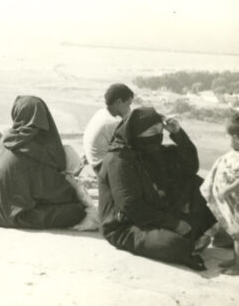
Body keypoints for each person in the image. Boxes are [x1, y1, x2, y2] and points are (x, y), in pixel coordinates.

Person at [98, 107, 216, 271]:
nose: (158, 135)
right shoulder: (119, 160)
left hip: (154, 212)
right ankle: (189, 239)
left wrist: (178, 134)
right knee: (175, 244)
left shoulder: (152, 151)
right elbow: (130, 205)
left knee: (195, 182)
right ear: (137, 132)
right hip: (125, 225)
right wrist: (174, 224)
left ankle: (195, 233)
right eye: (152, 131)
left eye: (160, 130)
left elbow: (190, 167)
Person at [0, 96, 88, 229]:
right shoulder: (34, 149)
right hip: (8, 216)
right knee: (76, 211)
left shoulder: (5, 140)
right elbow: (59, 193)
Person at [200, 112, 239, 274]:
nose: (231, 141)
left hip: (235, 200)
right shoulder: (233, 154)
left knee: (238, 235)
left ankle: (238, 266)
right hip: (232, 203)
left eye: (233, 137)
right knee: (235, 235)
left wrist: (227, 189)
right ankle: (236, 259)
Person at [82, 83, 134, 174]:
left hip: (96, 163)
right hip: (102, 168)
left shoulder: (101, 113)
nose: (129, 109)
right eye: (128, 104)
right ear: (119, 102)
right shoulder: (111, 123)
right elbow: (129, 146)